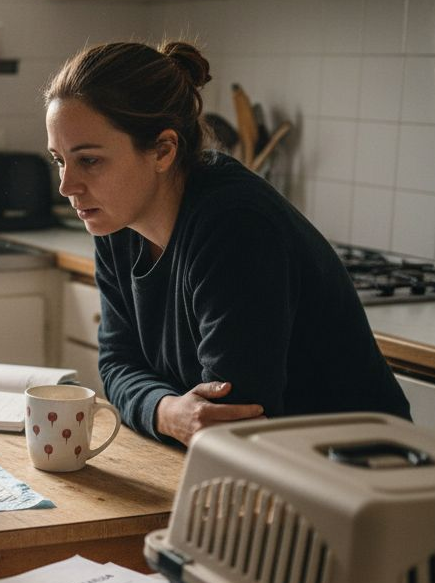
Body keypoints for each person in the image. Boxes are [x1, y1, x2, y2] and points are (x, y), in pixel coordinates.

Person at [43, 40, 410, 447]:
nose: (66, 186)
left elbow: (232, 415)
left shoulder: (235, 224)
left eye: (89, 160)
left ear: (163, 150)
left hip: (357, 473)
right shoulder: (116, 220)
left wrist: (165, 408)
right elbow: (117, 364)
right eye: (59, 159)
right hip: (255, 465)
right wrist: (167, 412)